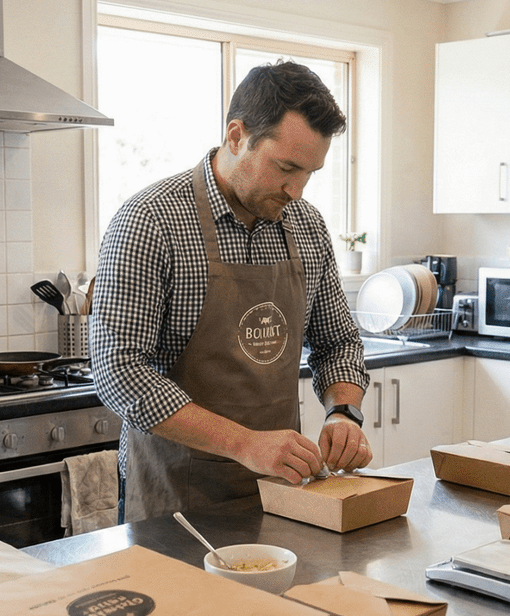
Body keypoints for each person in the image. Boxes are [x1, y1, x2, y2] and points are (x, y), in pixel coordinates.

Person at [91, 60, 372, 522]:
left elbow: (338, 341)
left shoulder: (306, 225)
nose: (297, 191)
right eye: (286, 167)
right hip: (175, 497)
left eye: (310, 174)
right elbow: (118, 371)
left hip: (284, 491)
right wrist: (243, 443)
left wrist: (344, 412)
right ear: (237, 136)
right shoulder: (150, 221)